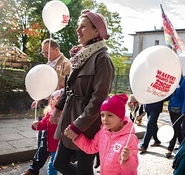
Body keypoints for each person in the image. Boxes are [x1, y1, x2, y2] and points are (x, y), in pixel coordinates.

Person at [50, 9, 115, 175]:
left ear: (96, 31)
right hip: (69, 118)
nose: (78, 30)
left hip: (88, 125)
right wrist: (58, 107)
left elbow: (99, 99)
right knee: (59, 164)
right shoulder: (80, 55)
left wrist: (79, 125)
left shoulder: (102, 59)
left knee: (84, 170)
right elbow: (69, 87)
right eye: (78, 27)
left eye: (83, 27)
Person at [22, 39, 70, 175]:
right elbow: (45, 86)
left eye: (46, 52)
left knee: (49, 140)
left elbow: (67, 86)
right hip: (48, 108)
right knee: (43, 139)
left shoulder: (67, 64)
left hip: (59, 109)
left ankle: (37, 168)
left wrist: (53, 75)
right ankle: (36, 167)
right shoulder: (48, 64)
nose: (44, 55)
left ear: (55, 49)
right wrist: (39, 98)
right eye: (43, 52)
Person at [69, 94, 139, 174]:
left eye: (110, 115)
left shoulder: (130, 138)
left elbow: (132, 168)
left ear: (121, 117)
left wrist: (127, 159)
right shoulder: (102, 133)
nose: (105, 119)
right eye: (102, 115)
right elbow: (91, 147)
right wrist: (76, 137)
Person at [30, 89, 63, 175]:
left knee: (54, 164)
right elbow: (43, 124)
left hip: (59, 145)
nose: (50, 101)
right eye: (50, 99)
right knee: (54, 164)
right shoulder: (49, 114)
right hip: (51, 145)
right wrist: (37, 125)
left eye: (53, 99)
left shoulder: (63, 116)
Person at [166, 74, 185, 158]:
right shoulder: (171, 81)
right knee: (178, 129)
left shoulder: (184, 81)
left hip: (180, 110)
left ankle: (170, 149)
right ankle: (184, 145)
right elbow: (168, 95)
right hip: (171, 108)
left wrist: (184, 110)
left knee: (174, 128)